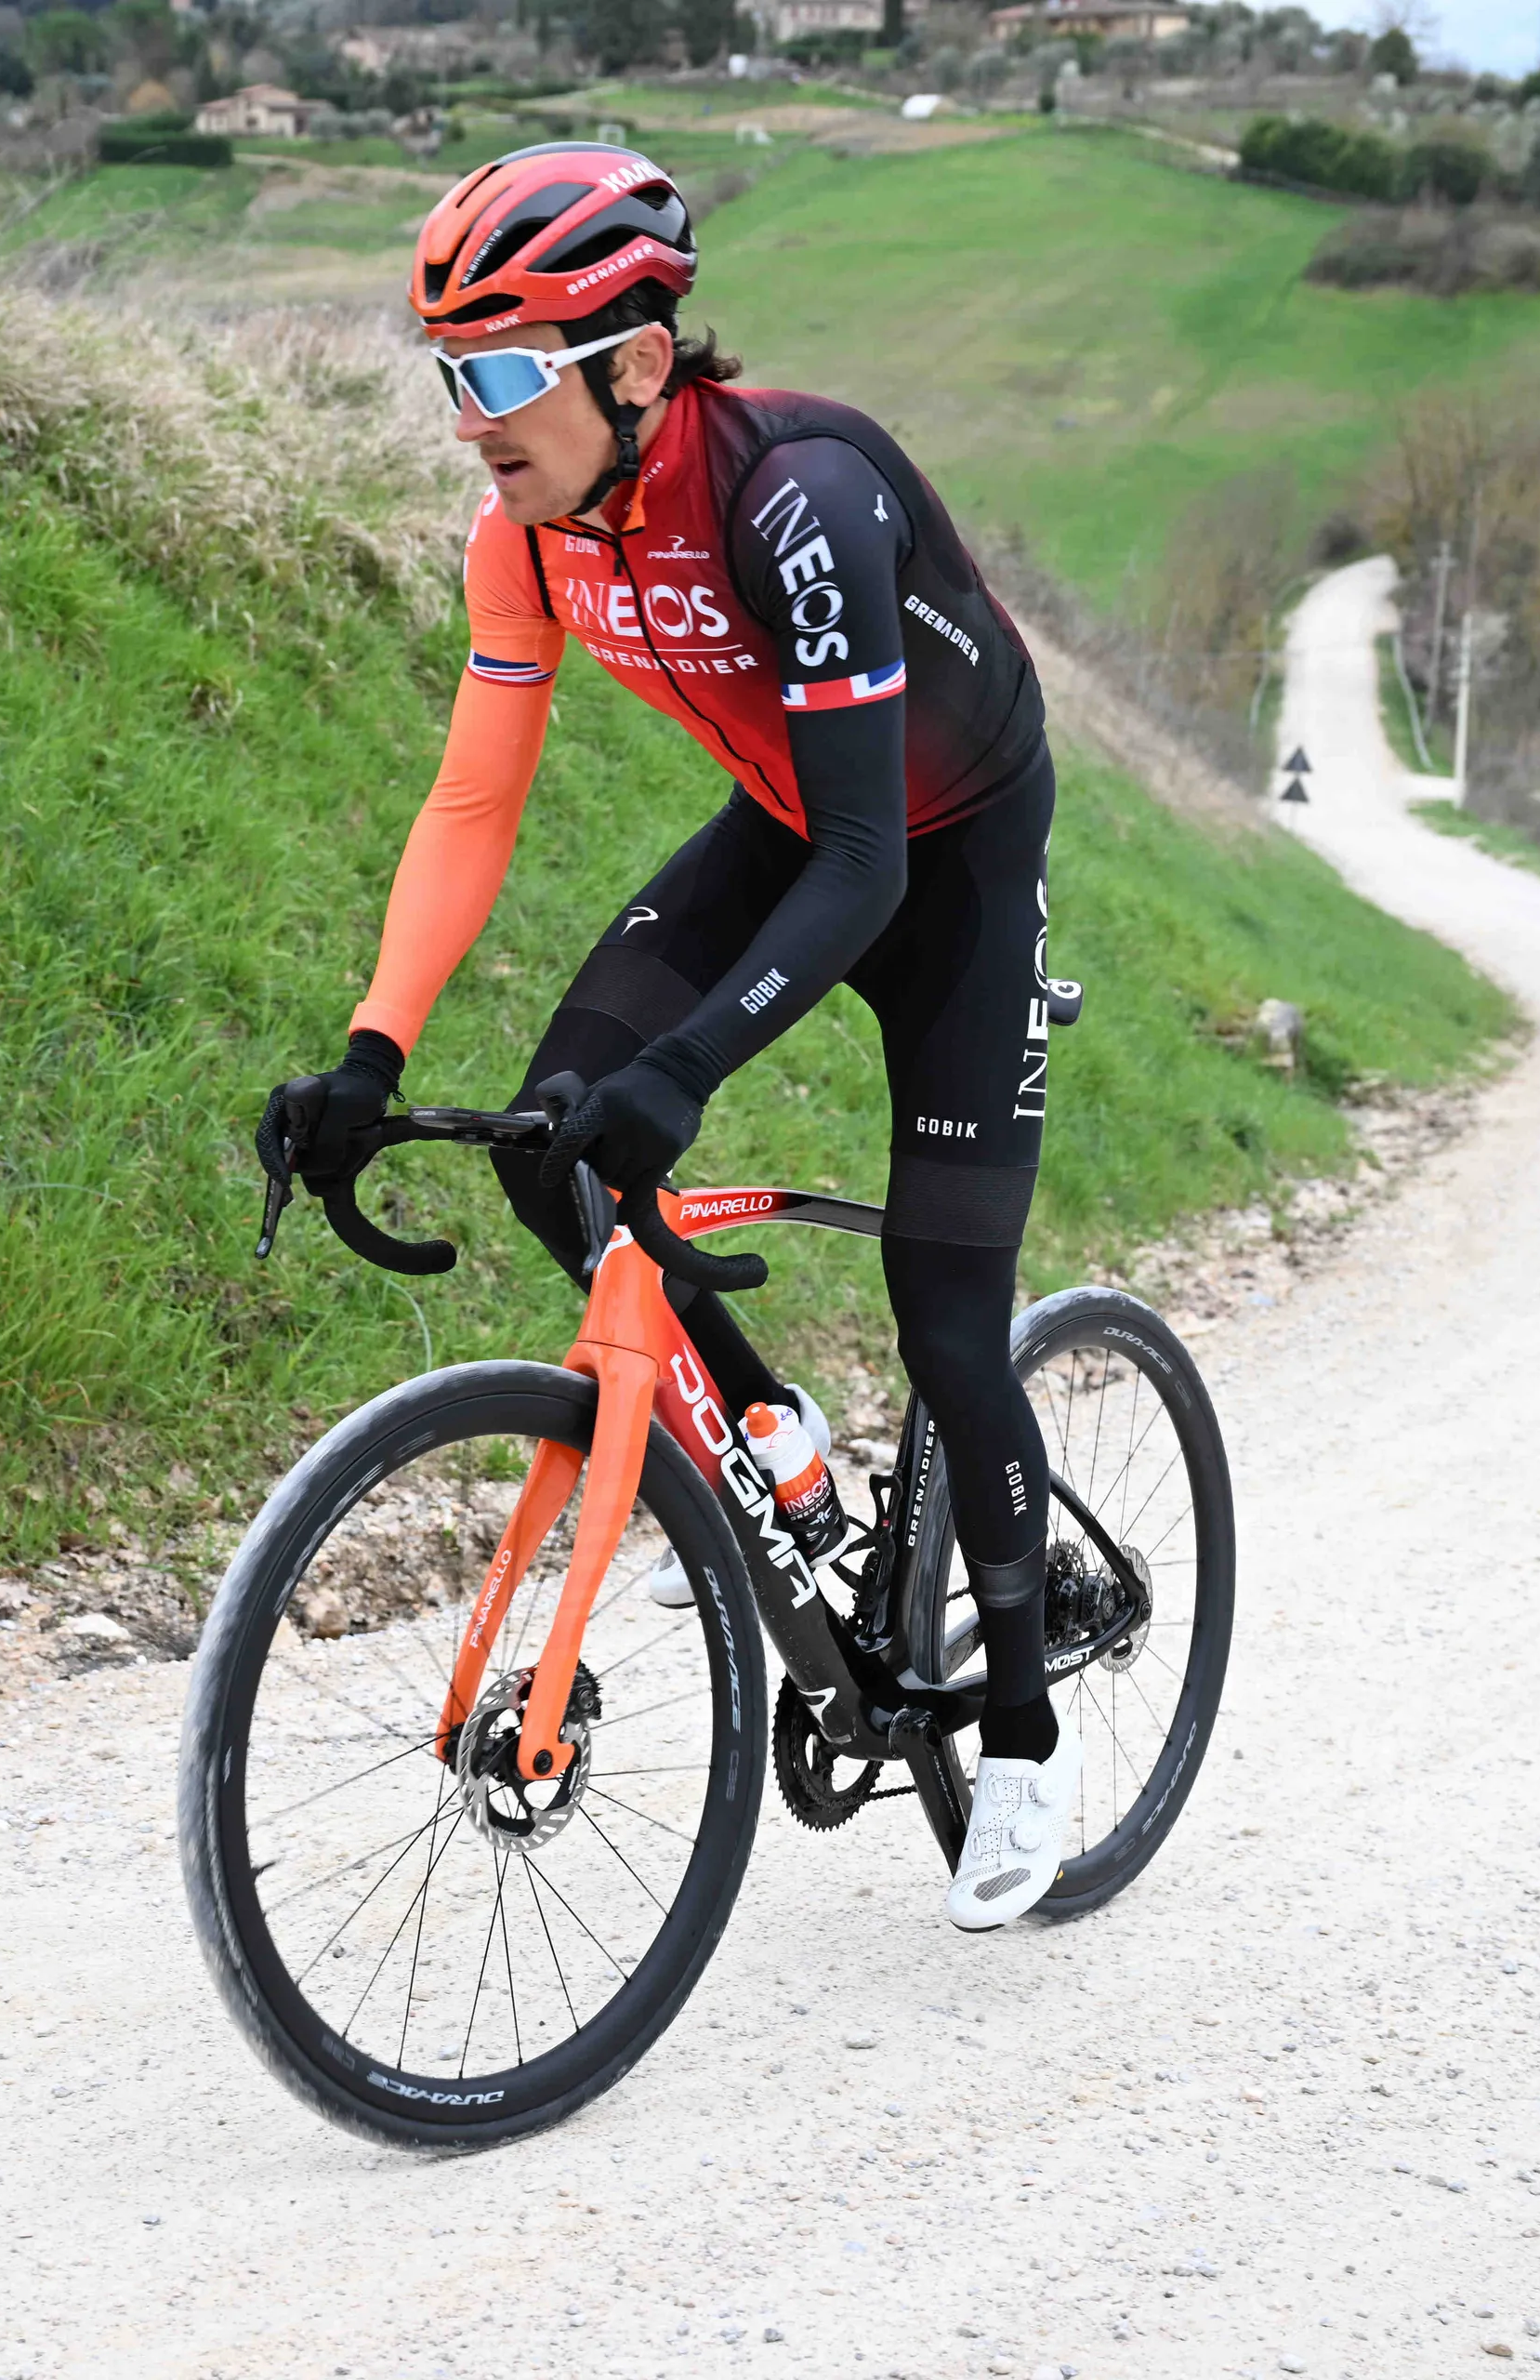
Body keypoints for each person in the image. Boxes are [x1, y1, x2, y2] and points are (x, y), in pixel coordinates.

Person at [256, 144, 1075, 1932]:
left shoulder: (800, 496)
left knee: (949, 1323)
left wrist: (691, 1064)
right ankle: (777, 1443)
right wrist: (372, 1056)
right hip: (799, 824)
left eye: (498, 374)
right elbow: (474, 803)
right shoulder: (525, 539)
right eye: (446, 378)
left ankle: (1017, 1726)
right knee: (566, 1142)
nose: (469, 422)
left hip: (942, 853)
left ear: (633, 363)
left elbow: (873, 862)